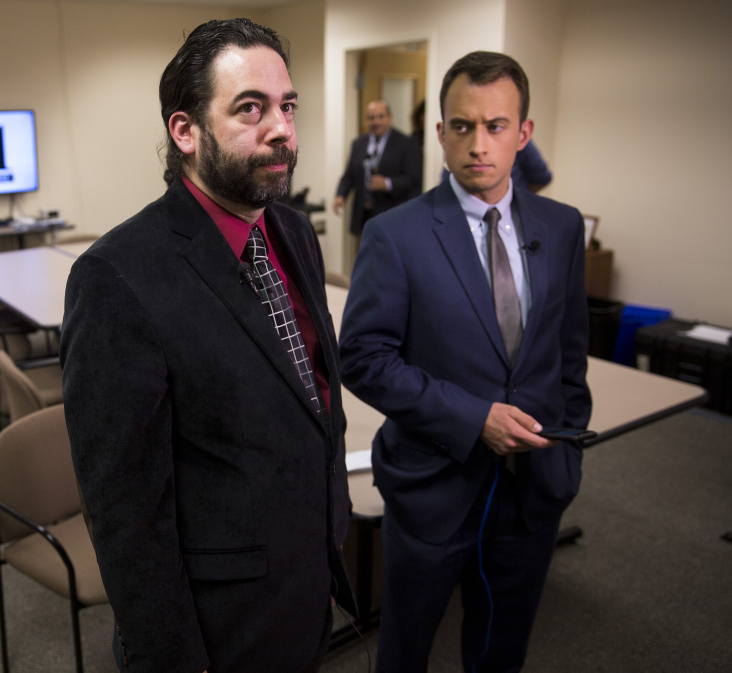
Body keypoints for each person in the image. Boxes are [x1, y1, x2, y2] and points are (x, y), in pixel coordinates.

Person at [60, 18, 356, 673]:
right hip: (218, 626)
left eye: (287, 106)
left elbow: (314, 401)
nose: (280, 128)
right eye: (249, 108)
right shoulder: (117, 277)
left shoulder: (290, 230)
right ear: (184, 131)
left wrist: (329, 541)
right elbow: (125, 513)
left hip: (306, 582)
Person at [339, 51, 591, 672]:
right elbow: (364, 357)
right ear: (441, 132)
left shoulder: (561, 228)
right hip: (433, 486)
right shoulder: (396, 234)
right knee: (404, 653)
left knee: (500, 651)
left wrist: (568, 459)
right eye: (462, 126)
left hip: (532, 490)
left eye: (496, 126)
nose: (478, 144)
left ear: (523, 134)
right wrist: (474, 417)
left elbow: (569, 353)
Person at [333, 100, 423, 235]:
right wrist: (340, 195)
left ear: (389, 117)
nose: (376, 122)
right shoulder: (358, 144)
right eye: (371, 118)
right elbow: (350, 175)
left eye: (381, 117)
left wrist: (387, 183)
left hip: (392, 216)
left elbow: (414, 179)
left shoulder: (407, 144)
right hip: (363, 217)